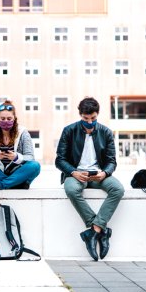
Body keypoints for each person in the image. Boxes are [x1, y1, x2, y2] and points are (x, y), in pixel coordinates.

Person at [55, 97, 124, 261]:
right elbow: (59, 160)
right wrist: (73, 172)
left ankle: (93, 232)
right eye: (86, 119)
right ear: (80, 115)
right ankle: (101, 229)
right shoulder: (69, 130)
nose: (89, 122)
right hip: (77, 174)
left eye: (93, 118)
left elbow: (112, 161)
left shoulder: (105, 132)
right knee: (71, 189)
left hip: (98, 174)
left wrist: (105, 173)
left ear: (97, 114)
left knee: (118, 189)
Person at [0, 100, 41, 190]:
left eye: (9, 119)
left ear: (14, 118)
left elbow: (30, 157)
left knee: (35, 166)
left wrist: (16, 157)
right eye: (3, 119)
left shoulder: (23, 132)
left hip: (16, 170)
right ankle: (16, 184)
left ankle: (0, 185)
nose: (6, 121)